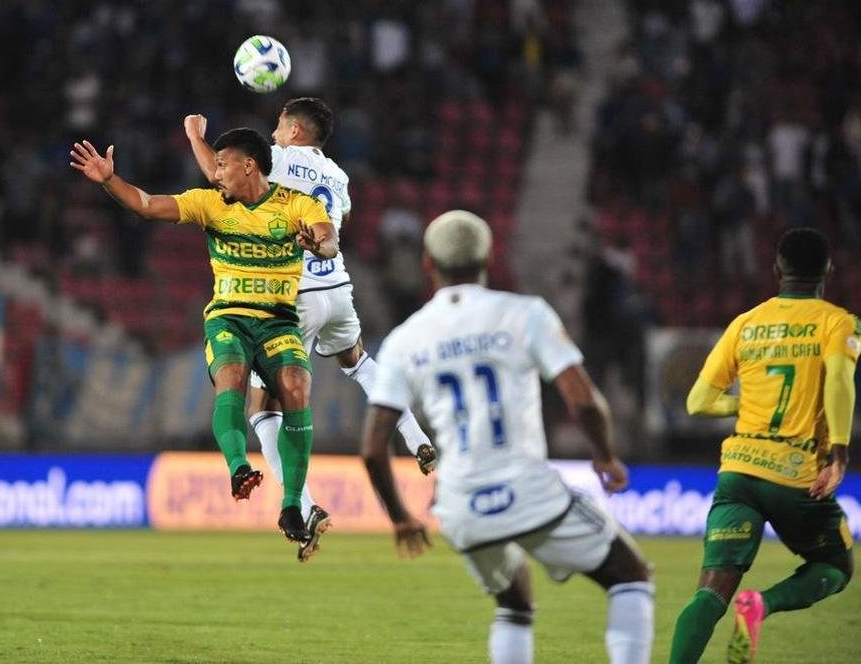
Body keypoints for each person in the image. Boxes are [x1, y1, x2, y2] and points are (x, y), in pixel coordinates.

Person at [361, 210, 655, 664]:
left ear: (427, 264)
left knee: (513, 602)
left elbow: (374, 445)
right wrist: (606, 456)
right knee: (631, 575)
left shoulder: (405, 339)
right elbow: (584, 400)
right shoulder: (524, 314)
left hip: (460, 505)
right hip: (527, 489)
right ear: (489, 256)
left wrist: (400, 517)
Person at [70, 125, 338, 556]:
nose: (213, 173)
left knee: (295, 388)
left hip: (278, 321)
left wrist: (318, 245)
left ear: (248, 166)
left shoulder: (295, 205)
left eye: (221, 164)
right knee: (230, 376)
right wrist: (109, 181)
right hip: (228, 319)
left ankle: (292, 506)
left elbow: (328, 238)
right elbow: (145, 204)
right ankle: (238, 469)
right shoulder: (209, 204)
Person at [184, 99, 436, 544]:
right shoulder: (338, 176)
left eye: (280, 125)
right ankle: (416, 436)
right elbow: (341, 221)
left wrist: (196, 137)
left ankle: (301, 506)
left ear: (295, 131)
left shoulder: (275, 160)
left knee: (264, 409)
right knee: (357, 361)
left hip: (292, 296)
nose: (275, 133)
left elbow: (219, 177)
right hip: (337, 287)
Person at [669, 227, 855, 664]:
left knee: (710, 590)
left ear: (777, 270)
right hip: (794, 473)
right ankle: (761, 605)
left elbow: (697, 403)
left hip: (738, 472)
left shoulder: (745, 323)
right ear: (828, 269)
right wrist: (840, 452)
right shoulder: (837, 321)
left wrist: (744, 401)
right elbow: (841, 383)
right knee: (836, 567)